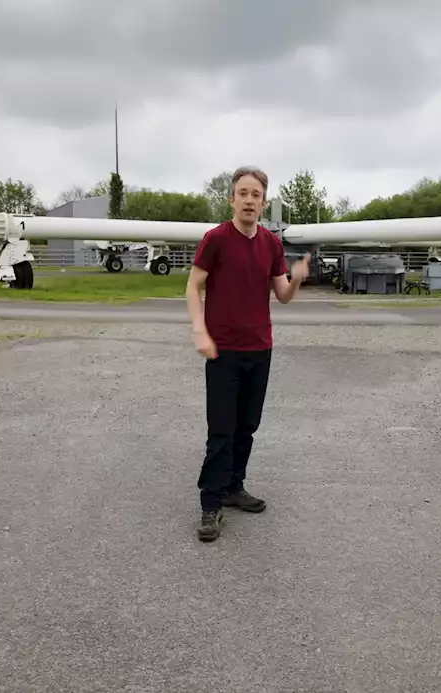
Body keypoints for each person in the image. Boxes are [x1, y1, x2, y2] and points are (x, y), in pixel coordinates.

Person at [184, 165, 311, 542]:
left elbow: (283, 295)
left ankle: (234, 487)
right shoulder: (216, 239)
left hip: (260, 349)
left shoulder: (272, 245)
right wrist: (200, 331)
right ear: (232, 199)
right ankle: (211, 503)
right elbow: (193, 288)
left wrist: (298, 277)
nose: (249, 200)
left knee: (247, 427)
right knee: (221, 428)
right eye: (243, 193)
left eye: (256, 195)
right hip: (223, 350)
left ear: (264, 202)